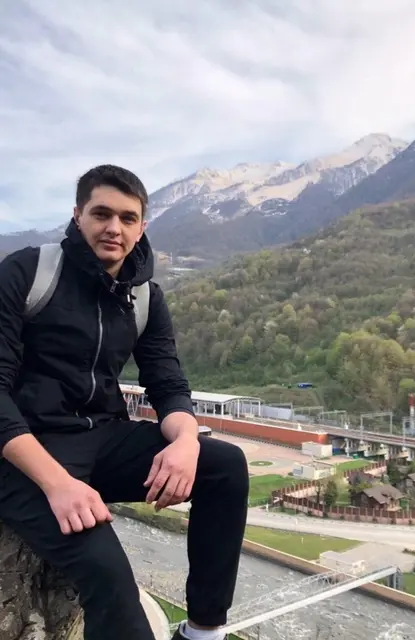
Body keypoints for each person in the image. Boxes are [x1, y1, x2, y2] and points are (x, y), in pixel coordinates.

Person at [0, 164, 249, 640]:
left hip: (102, 438)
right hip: (26, 454)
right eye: (101, 214)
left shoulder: (144, 298)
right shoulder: (29, 273)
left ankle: (202, 631)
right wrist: (58, 484)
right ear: (78, 216)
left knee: (225, 467)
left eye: (127, 218)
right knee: (111, 577)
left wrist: (186, 442)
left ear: (141, 227)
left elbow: (168, 383)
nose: (114, 227)